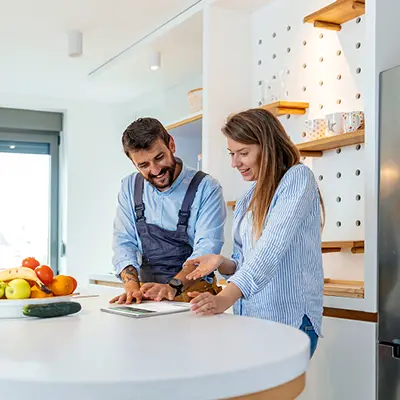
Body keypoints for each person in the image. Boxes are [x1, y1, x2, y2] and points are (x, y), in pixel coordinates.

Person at [185, 108, 325, 359]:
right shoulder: (248, 197)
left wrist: (224, 299)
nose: (235, 163)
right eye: (232, 154)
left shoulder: (297, 178)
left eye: (243, 153)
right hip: (252, 320)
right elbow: (244, 259)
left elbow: (269, 251)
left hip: (288, 321)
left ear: (267, 147)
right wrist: (222, 262)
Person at [109, 117, 226, 305]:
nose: (155, 170)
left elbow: (206, 250)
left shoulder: (206, 187)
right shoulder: (130, 186)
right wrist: (132, 290)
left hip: (194, 297)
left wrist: (171, 287)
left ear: (171, 144)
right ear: (133, 163)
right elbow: (124, 242)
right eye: (143, 165)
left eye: (159, 157)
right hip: (148, 296)